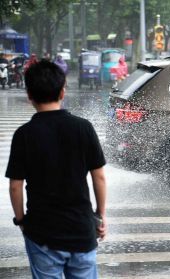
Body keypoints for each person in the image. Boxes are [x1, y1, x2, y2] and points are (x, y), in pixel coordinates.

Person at [6, 60, 107, 278]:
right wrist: (99, 216)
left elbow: (15, 186)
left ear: (29, 95)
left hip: (42, 232)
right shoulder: (83, 127)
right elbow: (99, 177)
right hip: (81, 230)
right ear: (62, 92)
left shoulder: (24, 134)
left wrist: (21, 221)